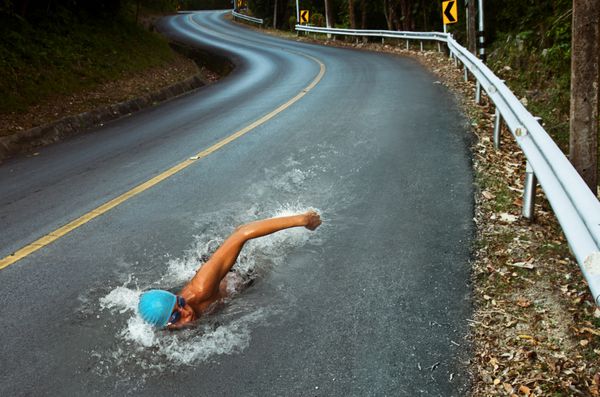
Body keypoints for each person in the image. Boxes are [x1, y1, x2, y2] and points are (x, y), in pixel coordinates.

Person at [138, 210, 322, 329]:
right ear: (165, 326)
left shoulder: (201, 289)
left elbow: (242, 233)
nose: (186, 312)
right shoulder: (165, 331)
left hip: (242, 274)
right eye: (176, 315)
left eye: (180, 303)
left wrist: (302, 219)